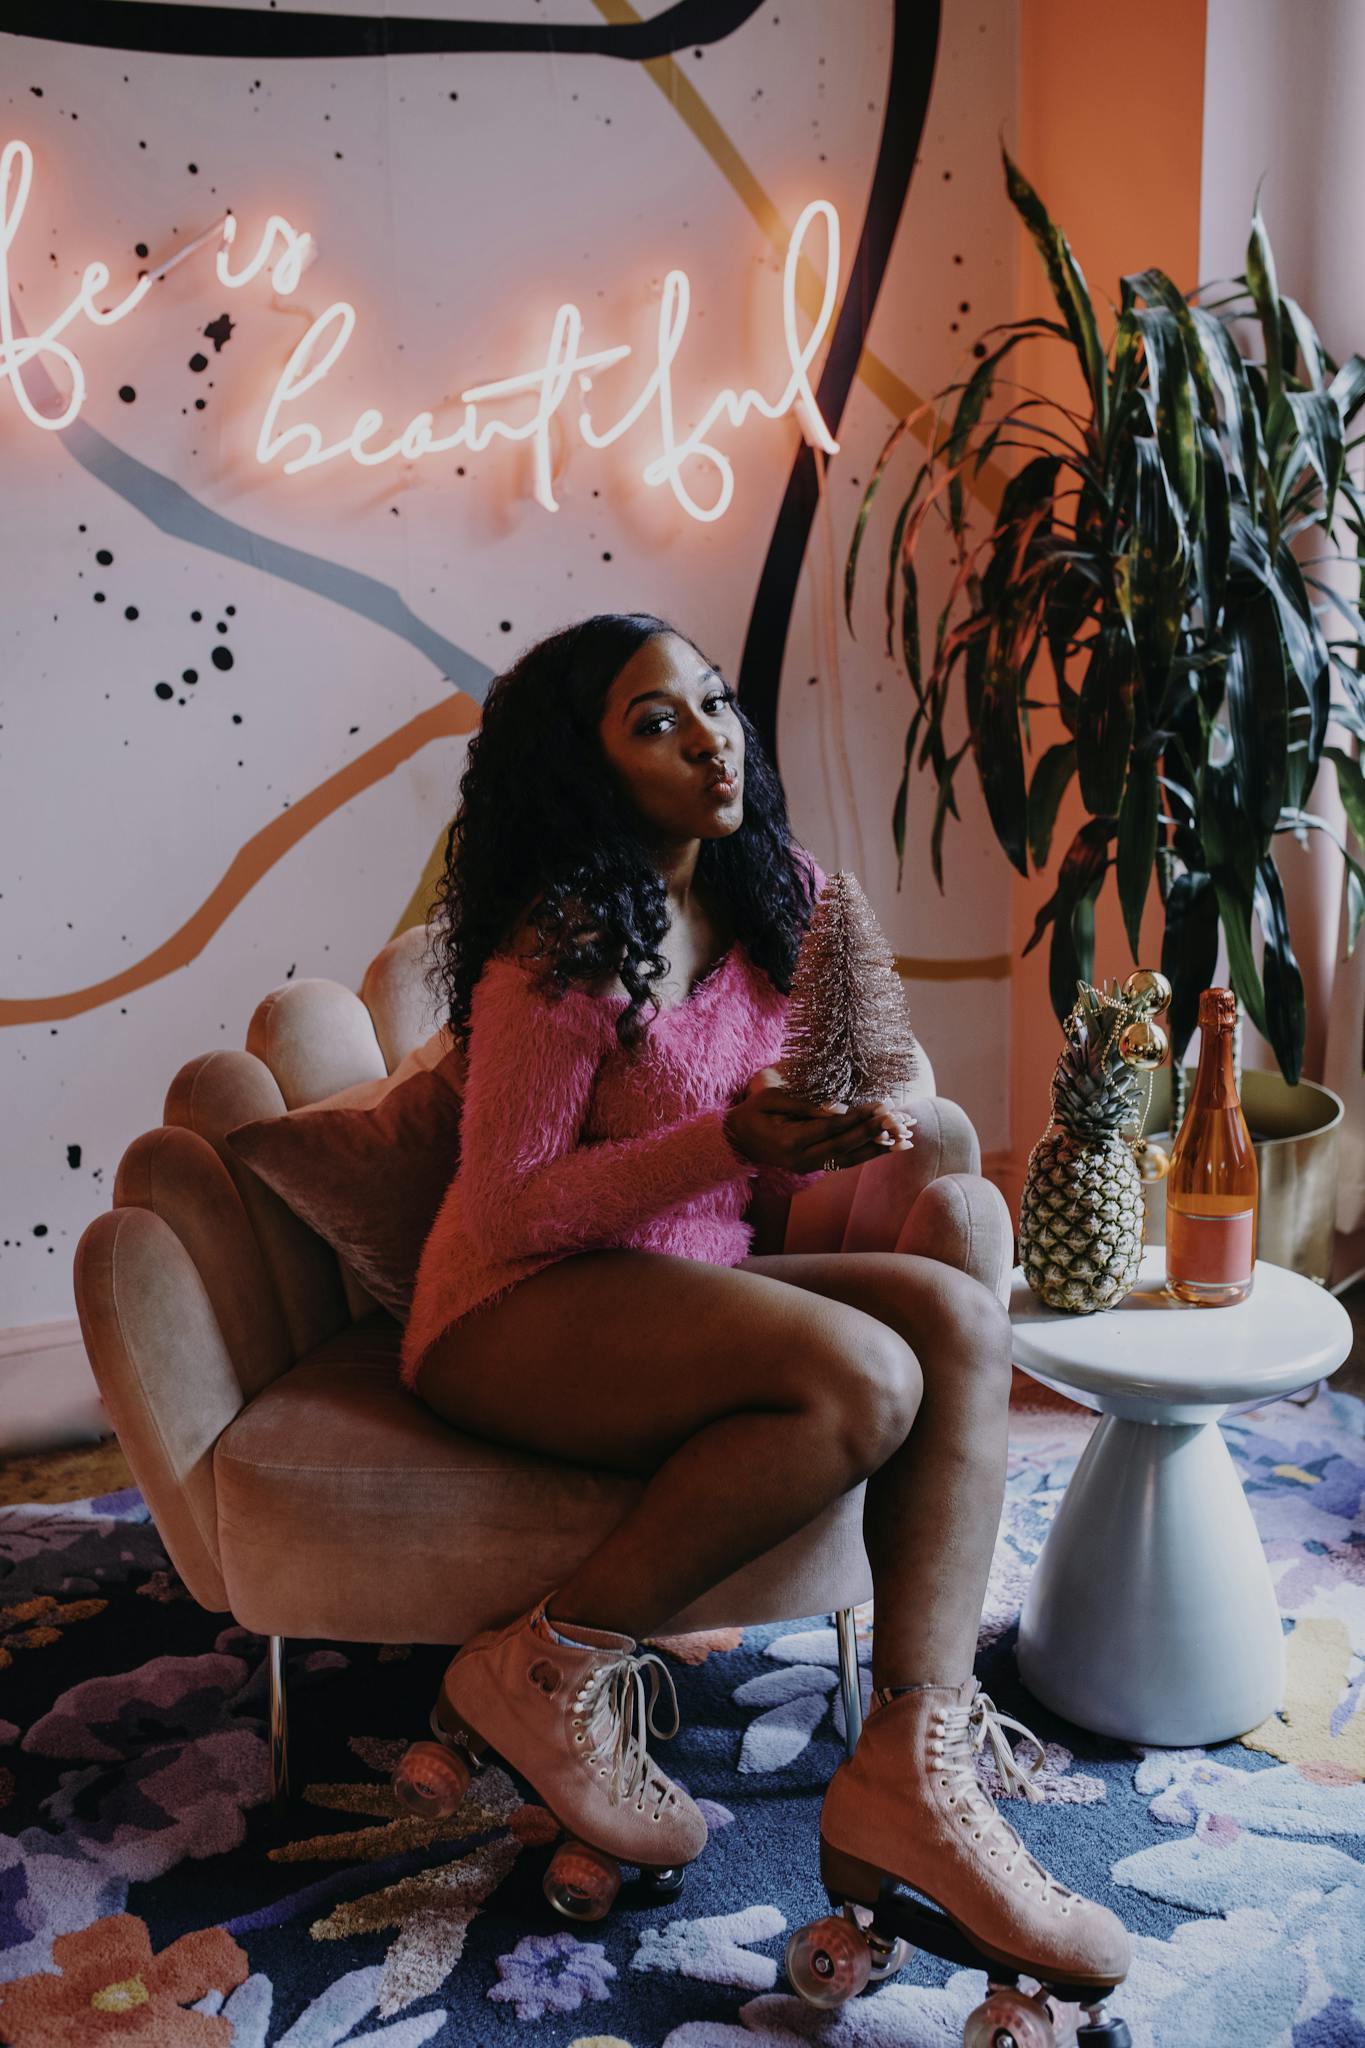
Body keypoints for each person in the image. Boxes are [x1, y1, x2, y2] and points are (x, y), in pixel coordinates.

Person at [398, 611, 1130, 1991]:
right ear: (585, 767)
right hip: (511, 1308)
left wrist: (859, 1108)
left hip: (684, 1289)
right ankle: (545, 1666)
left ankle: (915, 1757)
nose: (707, 739)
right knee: (864, 1379)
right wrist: (728, 1141)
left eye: (713, 704)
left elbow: (901, 1069)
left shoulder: (776, 890)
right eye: (654, 722)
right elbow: (505, 1208)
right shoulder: (559, 948)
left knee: (955, 1320)